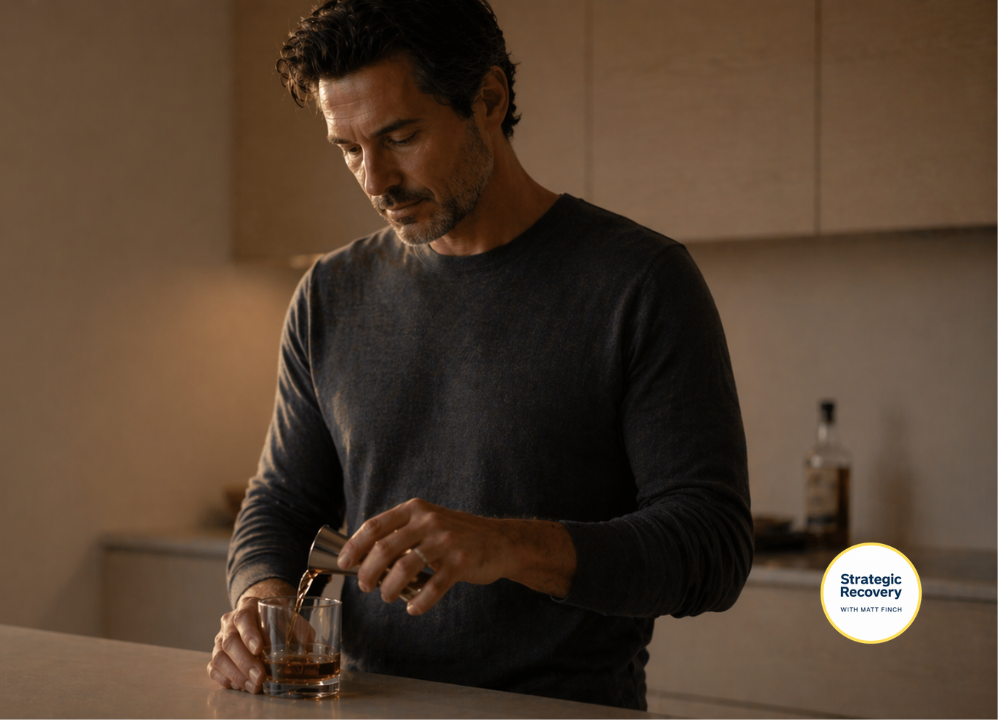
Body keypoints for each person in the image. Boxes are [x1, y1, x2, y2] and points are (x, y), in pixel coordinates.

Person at [208, 0, 752, 710]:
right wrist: (262, 597)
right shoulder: (329, 293)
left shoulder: (640, 282)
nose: (374, 180)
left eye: (399, 136)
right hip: (370, 703)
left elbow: (712, 547)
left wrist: (507, 546)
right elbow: (280, 500)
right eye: (348, 148)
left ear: (488, 99)